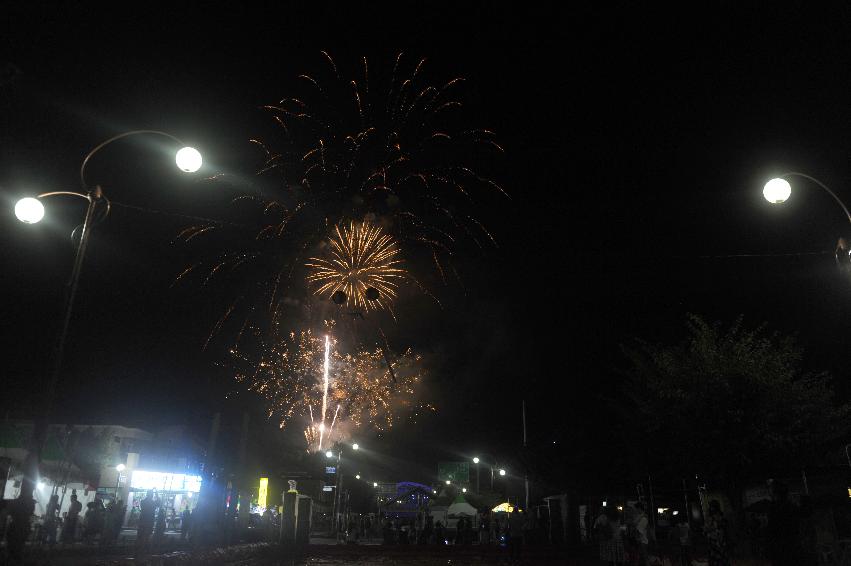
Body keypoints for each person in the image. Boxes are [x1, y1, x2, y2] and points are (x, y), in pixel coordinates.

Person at [766, 481, 802, 566]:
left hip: (780, 546)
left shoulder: (773, 508)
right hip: (793, 545)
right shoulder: (792, 507)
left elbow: (772, 529)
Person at [705, 500, 730, 566]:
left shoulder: (720, 517)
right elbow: (707, 529)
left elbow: (723, 528)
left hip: (719, 542)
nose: (710, 508)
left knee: (721, 560)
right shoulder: (711, 517)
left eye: (711, 507)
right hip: (714, 542)